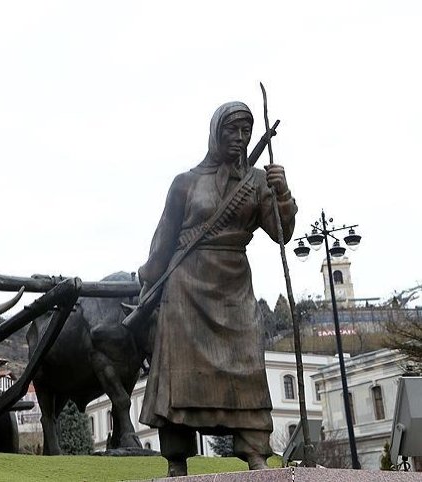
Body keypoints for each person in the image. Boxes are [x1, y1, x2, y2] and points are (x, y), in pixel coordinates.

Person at [137, 102, 297, 476]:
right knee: (181, 373)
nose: (240, 140)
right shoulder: (185, 183)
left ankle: (256, 451)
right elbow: (164, 239)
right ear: (215, 133)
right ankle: (177, 458)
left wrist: (283, 194)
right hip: (185, 287)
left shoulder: (257, 181)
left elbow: (281, 233)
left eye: (246, 132)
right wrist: (148, 279)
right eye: (232, 132)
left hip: (234, 284)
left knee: (247, 363)